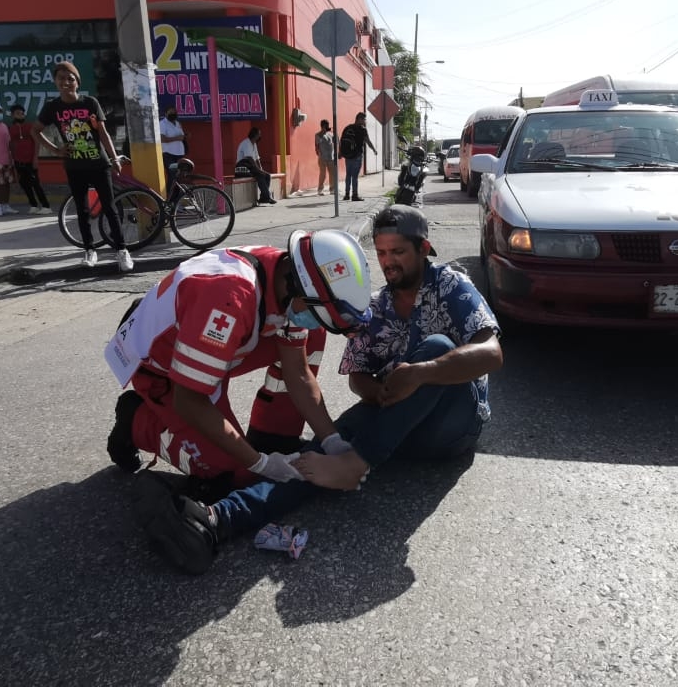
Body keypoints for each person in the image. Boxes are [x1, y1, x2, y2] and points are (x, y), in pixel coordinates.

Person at [132, 206, 503, 574]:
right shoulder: (376, 306)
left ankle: (355, 461)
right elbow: (357, 375)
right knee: (313, 458)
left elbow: (492, 353)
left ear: (424, 250)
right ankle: (216, 520)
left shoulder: (451, 285)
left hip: (454, 425)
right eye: (383, 253)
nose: (389, 262)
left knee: (437, 347)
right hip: (396, 424)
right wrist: (370, 401)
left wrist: (423, 373)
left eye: (399, 252)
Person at [102, 230, 375, 570]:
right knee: (228, 474)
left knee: (312, 333)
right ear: (299, 286)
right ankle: (138, 422)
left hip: (209, 343)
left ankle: (272, 431)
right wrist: (257, 463)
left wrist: (332, 440)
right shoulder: (230, 299)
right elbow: (190, 400)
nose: (313, 317)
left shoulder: (288, 280)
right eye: (319, 309)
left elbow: (299, 374)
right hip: (163, 366)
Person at [32, 61, 133, 271]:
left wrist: (114, 158)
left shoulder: (89, 103)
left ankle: (122, 251)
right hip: (74, 166)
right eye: (61, 78)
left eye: (71, 78)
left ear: (77, 82)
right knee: (82, 209)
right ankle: (90, 250)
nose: (66, 82)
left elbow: (103, 133)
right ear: (55, 82)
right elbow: (35, 131)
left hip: (99, 164)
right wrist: (57, 150)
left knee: (110, 208)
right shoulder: (53, 107)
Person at [8, 104, 50, 215]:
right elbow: (11, 145)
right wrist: (13, 159)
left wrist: (35, 158)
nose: (21, 115)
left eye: (22, 113)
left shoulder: (31, 126)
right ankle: (33, 205)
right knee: (24, 184)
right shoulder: (11, 129)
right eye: (18, 113)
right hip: (18, 160)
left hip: (30, 160)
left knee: (35, 183)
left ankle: (46, 206)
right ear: (12, 115)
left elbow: (37, 142)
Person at [339, 112, 376, 202]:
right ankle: (355, 195)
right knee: (354, 176)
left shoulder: (348, 128)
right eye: (364, 119)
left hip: (348, 156)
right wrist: (374, 149)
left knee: (348, 174)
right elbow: (368, 141)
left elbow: (342, 141)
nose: (365, 121)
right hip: (357, 155)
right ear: (359, 119)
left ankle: (347, 195)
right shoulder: (362, 130)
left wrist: (340, 152)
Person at [235, 127, 276, 205]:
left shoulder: (254, 144)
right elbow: (250, 159)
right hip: (242, 168)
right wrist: (258, 170)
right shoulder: (246, 143)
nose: (260, 136)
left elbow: (257, 158)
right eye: (259, 134)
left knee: (267, 175)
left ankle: (264, 197)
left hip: (250, 166)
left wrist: (261, 169)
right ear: (255, 135)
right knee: (260, 175)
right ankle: (267, 197)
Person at [159, 105, 187, 186]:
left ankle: (177, 196)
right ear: (166, 113)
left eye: (174, 112)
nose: (173, 113)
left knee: (180, 176)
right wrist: (177, 138)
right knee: (172, 175)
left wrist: (185, 136)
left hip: (179, 154)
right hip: (168, 154)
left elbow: (181, 136)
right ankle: (170, 196)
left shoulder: (177, 123)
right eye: (170, 112)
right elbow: (162, 139)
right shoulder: (162, 124)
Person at [314, 119, 336, 196]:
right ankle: (320, 190)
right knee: (323, 174)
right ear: (322, 126)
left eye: (328, 125)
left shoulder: (331, 134)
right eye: (326, 126)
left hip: (331, 157)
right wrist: (322, 133)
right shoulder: (318, 135)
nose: (327, 127)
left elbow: (335, 142)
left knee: (332, 174)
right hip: (322, 158)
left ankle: (332, 189)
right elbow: (317, 146)